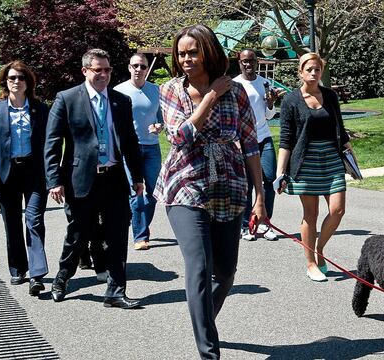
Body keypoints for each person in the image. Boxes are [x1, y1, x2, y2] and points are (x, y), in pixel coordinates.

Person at [155, 25, 266, 359]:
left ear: (208, 52)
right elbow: (178, 137)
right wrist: (210, 97)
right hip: (185, 183)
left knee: (226, 272)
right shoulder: (171, 90)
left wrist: (260, 196)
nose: (186, 59)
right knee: (199, 267)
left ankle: (203, 320)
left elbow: (250, 145)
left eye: (193, 52)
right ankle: (209, 353)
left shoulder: (238, 92)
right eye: (181, 53)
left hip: (228, 184)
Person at [45, 48, 144, 309]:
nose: (103, 74)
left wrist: (138, 176)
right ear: (85, 71)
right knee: (78, 234)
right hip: (81, 179)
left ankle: (115, 290)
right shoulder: (67, 99)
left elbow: (131, 143)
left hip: (113, 178)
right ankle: (63, 277)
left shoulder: (121, 101)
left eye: (107, 70)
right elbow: (52, 143)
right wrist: (54, 180)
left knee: (118, 235)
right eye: (97, 70)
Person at [276, 52, 352, 282]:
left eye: (317, 69)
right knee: (311, 214)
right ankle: (311, 263)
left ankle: (318, 249)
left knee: (337, 210)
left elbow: (340, 127)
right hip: (305, 161)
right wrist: (280, 173)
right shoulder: (291, 100)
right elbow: (286, 139)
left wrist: (351, 157)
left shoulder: (330, 96)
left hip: (331, 157)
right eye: (308, 69)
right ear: (300, 72)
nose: (313, 73)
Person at [0, 61, 49, 295]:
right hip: (5, 174)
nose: (16, 82)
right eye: (11, 78)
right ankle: (18, 268)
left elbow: (51, 145)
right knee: (13, 224)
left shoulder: (40, 109)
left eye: (21, 78)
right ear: (5, 82)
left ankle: (37, 274)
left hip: (34, 173)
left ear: (28, 82)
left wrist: (55, 176)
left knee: (34, 221)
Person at [114, 53, 164, 250]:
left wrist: (159, 126)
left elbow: (161, 118)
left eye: (142, 66)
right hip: (129, 149)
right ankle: (140, 236)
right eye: (135, 65)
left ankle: (138, 222)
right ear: (129, 68)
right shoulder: (119, 91)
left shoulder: (155, 90)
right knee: (137, 192)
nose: (139, 69)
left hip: (152, 147)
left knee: (153, 194)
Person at [233, 49, 282, 241]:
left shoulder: (264, 83)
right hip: (244, 140)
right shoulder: (235, 84)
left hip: (263, 138)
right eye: (244, 61)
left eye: (251, 61)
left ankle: (264, 222)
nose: (248, 64)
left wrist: (270, 104)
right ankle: (246, 225)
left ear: (257, 62)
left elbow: (269, 116)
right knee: (247, 184)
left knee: (269, 180)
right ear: (239, 63)